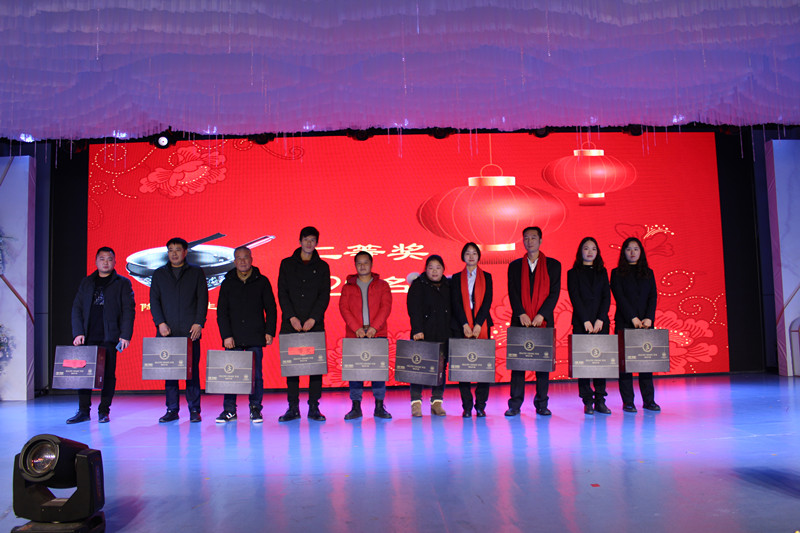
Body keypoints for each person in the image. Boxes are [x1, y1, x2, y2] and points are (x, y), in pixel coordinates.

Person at [67, 247, 135, 424]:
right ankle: (83, 411)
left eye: (109, 259)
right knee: (83, 375)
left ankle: (104, 411)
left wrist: (125, 335)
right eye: (102, 259)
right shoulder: (87, 282)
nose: (106, 262)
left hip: (109, 336)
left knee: (108, 375)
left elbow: (128, 311)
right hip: (87, 336)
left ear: (115, 262)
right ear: (96, 261)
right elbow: (77, 308)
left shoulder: (122, 283)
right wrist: (78, 332)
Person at [215, 246, 277, 424]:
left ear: (251, 259)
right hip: (232, 338)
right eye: (239, 258)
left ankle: (255, 409)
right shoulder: (227, 282)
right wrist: (226, 335)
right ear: (234, 261)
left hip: (255, 335)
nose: (242, 261)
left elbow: (271, 309)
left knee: (256, 376)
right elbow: (221, 312)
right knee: (230, 375)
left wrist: (269, 331)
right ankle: (229, 410)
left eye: (245, 257)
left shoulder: (262, 281)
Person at [150, 237, 208, 423]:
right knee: (170, 373)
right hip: (167, 331)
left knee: (192, 373)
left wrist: (199, 323)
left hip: (190, 332)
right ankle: (172, 409)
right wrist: (160, 323)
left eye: (177, 250)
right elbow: (154, 301)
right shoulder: (159, 274)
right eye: (170, 250)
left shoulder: (196, 272)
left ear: (185, 252)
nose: (174, 253)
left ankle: (194, 409)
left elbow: (202, 299)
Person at [505, 226, 561, 417]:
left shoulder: (554, 265)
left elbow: (554, 293)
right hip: (519, 320)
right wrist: (520, 313)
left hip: (543, 321)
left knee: (542, 365)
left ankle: (542, 404)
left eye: (533, 238)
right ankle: (514, 404)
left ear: (541, 241)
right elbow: (512, 292)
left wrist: (541, 315)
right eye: (526, 238)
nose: (529, 241)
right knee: (518, 365)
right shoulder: (514, 266)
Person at [277, 226, 331, 422]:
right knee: (292, 368)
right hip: (290, 323)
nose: (309, 243)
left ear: (317, 243)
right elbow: (282, 292)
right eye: (306, 239)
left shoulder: (323, 266)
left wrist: (313, 318)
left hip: (313, 324)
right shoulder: (286, 264)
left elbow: (324, 295)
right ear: (299, 241)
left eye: (313, 240)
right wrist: (291, 317)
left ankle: (314, 407)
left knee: (315, 368)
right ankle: (293, 407)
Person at [339, 251, 393, 420]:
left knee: (378, 373)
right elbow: (344, 309)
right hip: (355, 334)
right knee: (355, 374)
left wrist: (374, 328)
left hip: (377, 333)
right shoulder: (347, 287)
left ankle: (379, 407)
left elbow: (386, 307)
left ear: (372, 264)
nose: (362, 266)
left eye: (366, 262)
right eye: (359, 263)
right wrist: (357, 328)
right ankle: (356, 407)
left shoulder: (382, 285)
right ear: (355, 265)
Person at [611, 237, 660, 413]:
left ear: (641, 252)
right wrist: (633, 318)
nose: (632, 252)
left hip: (646, 324)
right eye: (628, 249)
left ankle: (649, 400)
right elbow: (620, 297)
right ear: (623, 252)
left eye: (636, 249)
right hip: (625, 323)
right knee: (625, 366)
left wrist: (649, 318)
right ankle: (628, 402)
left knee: (646, 364)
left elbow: (653, 296)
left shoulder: (649, 272)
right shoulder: (616, 273)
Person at [567, 237, 612, 415]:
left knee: (601, 363)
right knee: (584, 363)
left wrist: (601, 319)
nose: (590, 252)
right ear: (581, 251)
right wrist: (585, 320)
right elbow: (575, 297)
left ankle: (600, 399)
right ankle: (587, 401)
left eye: (593, 248)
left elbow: (606, 297)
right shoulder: (573, 273)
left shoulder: (602, 271)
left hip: (601, 324)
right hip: (581, 323)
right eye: (586, 248)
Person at [451, 242, 493, 418]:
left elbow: (487, 301)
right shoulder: (455, 278)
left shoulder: (487, 277)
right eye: (467, 253)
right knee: (464, 368)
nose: (471, 256)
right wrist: (464, 324)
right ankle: (467, 406)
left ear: (479, 256)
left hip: (481, 326)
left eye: (474, 253)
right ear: (463, 256)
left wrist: (478, 324)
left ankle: (481, 405)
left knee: (483, 367)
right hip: (461, 327)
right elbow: (455, 303)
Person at [407, 254, 451, 417]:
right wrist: (417, 329)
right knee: (418, 368)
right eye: (431, 268)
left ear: (443, 269)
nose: (434, 271)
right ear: (425, 269)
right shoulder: (418, 284)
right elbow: (413, 309)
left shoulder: (448, 285)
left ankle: (437, 403)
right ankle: (416, 404)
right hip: (422, 333)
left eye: (438, 268)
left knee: (440, 369)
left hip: (443, 332)